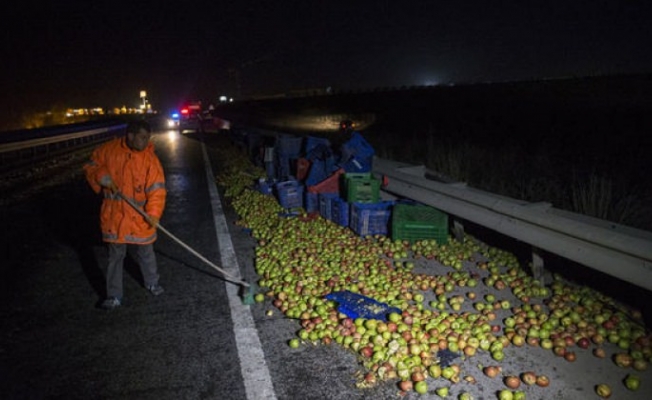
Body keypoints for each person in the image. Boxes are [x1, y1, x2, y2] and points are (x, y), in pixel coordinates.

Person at [84, 120, 167, 310]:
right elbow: (91, 166)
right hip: (115, 215)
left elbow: (157, 190)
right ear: (130, 135)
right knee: (115, 256)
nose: (146, 142)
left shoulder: (150, 159)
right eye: (142, 137)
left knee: (146, 251)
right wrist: (102, 177)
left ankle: (152, 282)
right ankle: (113, 296)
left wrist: (154, 213)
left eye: (148, 138)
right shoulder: (108, 150)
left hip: (140, 216)